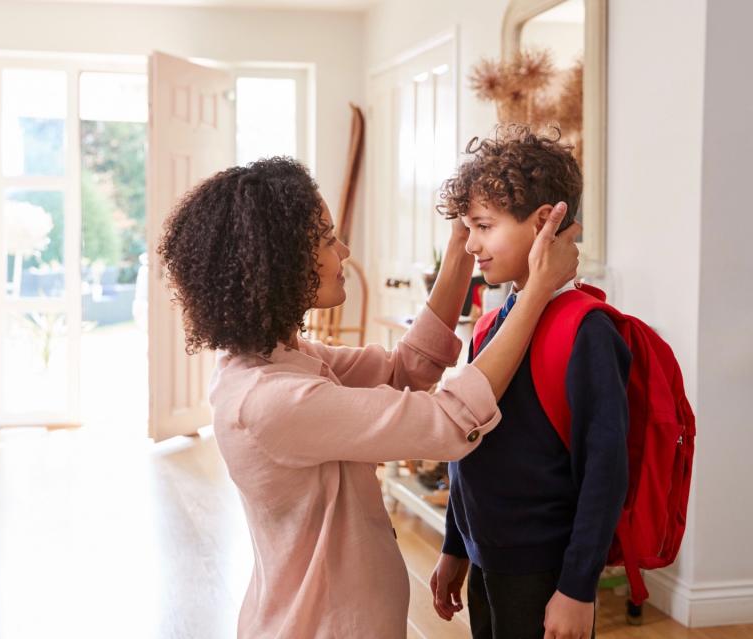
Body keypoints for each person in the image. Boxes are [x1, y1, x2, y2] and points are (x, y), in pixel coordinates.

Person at [156, 156, 580, 638]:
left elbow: (405, 370)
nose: (344, 249)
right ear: (280, 262)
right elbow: (448, 422)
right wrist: (537, 291)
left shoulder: (276, 359)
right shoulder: (272, 400)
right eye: (325, 239)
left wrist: (462, 249)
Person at [431, 126, 630, 639]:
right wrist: (456, 543)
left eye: (483, 225)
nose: (471, 243)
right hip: (486, 555)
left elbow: (604, 469)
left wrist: (578, 586)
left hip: (546, 570)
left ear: (545, 223)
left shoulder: (586, 331)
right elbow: (467, 443)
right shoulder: (491, 328)